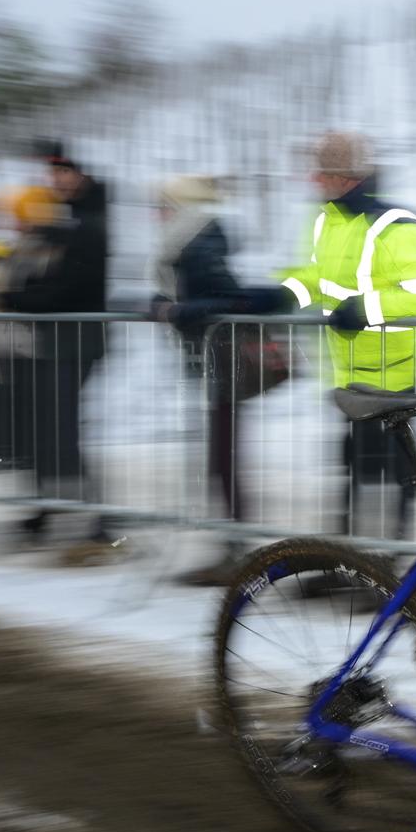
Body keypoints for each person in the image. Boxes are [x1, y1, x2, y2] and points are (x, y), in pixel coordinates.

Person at [275, 132, 416, 541]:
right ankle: (357, 561)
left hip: (401, 372)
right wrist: (277, 293)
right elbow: (318, 277)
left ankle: (386, 568)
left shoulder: (397, 225)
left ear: (344, 176)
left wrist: (363, 309)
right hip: (355, 374)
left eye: (322, 173)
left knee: (389, 475)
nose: (314, 181)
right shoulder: (327, 221)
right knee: (356, 467)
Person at [150, 175, 285, 586]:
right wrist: (167, 305)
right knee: (221, 458)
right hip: (213, 356)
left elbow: (228, 299)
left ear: (180, 206)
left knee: (223, 458)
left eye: (163, 204)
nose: (157, 213)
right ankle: (232, 546)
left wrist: (179, 310)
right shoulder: (189, 240)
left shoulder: (198, 240)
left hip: (224, 356)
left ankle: (236, 550)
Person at [6, 139, 117, 563]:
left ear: (81, 174)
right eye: (53, 174)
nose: (57, 181)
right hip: (57, 337)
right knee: (47, 426)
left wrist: (21, 298)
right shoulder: (71, 217)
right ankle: (52, 507)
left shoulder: (89, 221)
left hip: (75, 337)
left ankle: (96, 517)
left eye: (64, 172)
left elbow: (75, 284)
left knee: (62, 428)